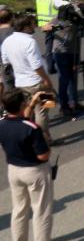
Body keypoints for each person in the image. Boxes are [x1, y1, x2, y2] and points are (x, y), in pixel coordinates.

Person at [1, 89, 60, 241]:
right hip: (34, 171)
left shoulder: (2, 123)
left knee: (19, 209)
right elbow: (43, 155)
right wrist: (45, 141)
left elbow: (21, 121)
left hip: (14, 170)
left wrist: (33, 104)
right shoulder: (32, 128)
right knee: (41, 209)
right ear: (21, 105)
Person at [1, 15, 54, 145]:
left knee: (27, 109)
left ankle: (26, 135)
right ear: (25, 27)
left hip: (20, 82)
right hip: (37, 81)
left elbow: (6, 62)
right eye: (32, 24)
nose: (34, 26)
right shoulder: (30, 41)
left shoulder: (7, 41)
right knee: (42, 111)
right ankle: (43, 138)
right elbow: (36, 65)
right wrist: (47, 80)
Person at [49, 3, 84, 118]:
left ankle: (73, 103)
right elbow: (44, 27)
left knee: (73, 77)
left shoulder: (80, 18)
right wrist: (56, 27)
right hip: (60, 52)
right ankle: (64, 106)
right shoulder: (59, 18)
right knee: (64, 79)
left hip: (75, 52)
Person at [35, 0, 69, 74]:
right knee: (60, 46)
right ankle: (60, 64)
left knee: (48, 47)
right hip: (55, 26)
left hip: (44, 26)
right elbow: (67, 5)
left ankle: (50, 67)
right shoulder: (53, 0)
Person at [0, 7, 16, 99]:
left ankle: (5, 107)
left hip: (3, 65)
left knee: (8, 89)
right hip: (16, 63)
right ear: (11, 18)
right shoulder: (17, 32)